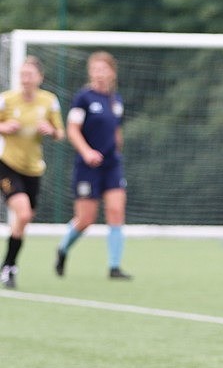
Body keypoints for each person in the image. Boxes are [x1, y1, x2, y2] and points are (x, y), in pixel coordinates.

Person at [56, 51, 131, 280]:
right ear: (90, 72)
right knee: (86, 219)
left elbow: (116, 129)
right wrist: (87, 151)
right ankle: (62, 249)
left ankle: (114, 267)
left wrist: (117, 148)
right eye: (95, 69)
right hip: (87, 167)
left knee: (116, 211)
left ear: (111, 72)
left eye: (103, 69)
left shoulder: (115, 99)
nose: (99, 74)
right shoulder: (83, 98)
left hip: (111, 165)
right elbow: (72, 129)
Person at [0, 56, 66, 289]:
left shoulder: (49, 101)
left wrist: (51, 130)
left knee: (23, 220)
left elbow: (61, 134)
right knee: (24, 214)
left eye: (30, 75)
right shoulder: (7, 100)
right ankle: (9, 267)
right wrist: (4, 127)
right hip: (7, 165)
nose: (25, 79)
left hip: (33, 170)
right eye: (22, 75)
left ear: (40, 77)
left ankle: (8, 264)